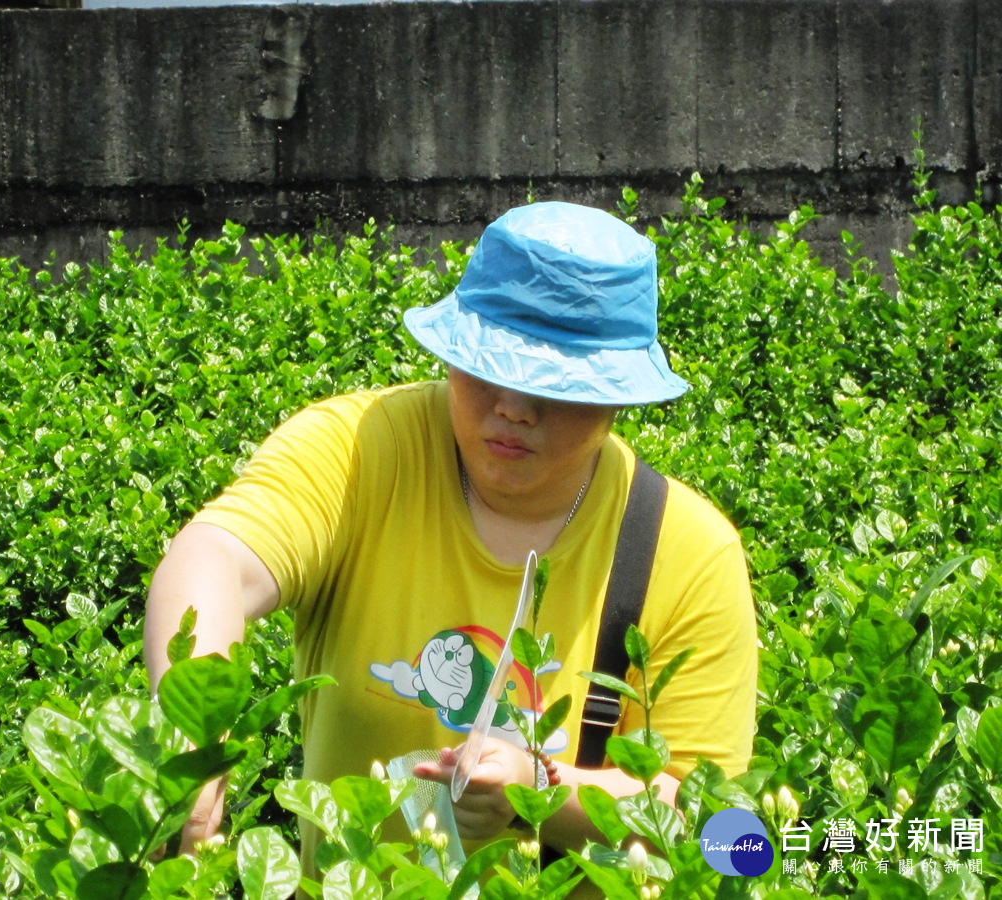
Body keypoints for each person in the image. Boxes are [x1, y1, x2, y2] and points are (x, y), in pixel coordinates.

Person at [144, 201, 757, 875]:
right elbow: (214, 559)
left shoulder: (688, 552)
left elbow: (715, 828)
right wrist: (195, 740)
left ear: (619, 398)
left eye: (558, 386)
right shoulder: (365, 452)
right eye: (491, 367)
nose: (515, 408)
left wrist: (542, 791)